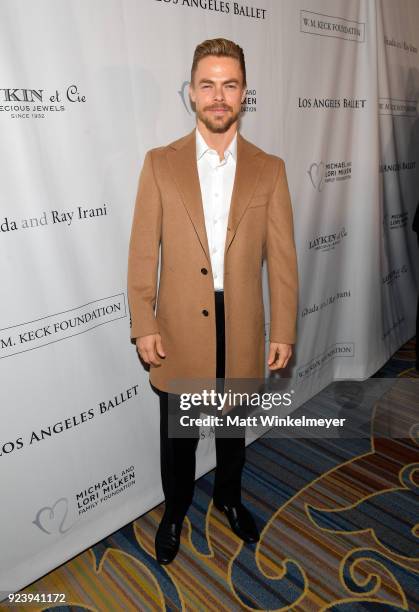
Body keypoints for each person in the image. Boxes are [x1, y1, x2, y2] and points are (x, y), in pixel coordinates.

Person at [127, 38, 298, 565]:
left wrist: (284, 330)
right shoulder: (160, 163)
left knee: (230, 429)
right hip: (179, 326)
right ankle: (175, 510)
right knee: (179, 437)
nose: (218, 96)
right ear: (191, 93)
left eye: (229, 85)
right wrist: (143, 322)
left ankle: (228, 496)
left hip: (242, 323)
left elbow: (283, 259)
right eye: (208, 85)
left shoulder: (270, 168)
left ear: (244, 93)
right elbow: (141, 253)